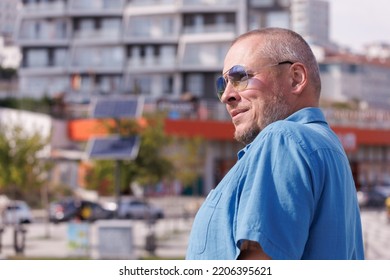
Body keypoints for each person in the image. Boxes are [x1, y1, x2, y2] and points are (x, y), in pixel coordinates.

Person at [186, 27, 365, 260]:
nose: (225, 96)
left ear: (296, 78)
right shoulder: (327, 148)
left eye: (240, 78)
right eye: (223, 83)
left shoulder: (283, 140)